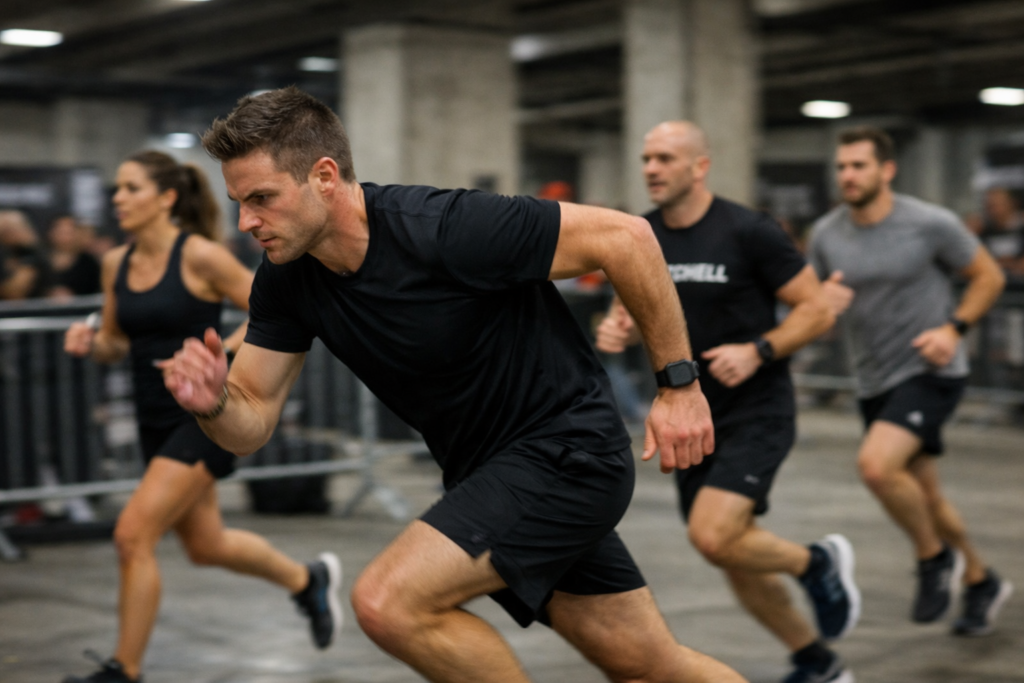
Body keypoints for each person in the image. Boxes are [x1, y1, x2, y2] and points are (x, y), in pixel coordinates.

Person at [164, 86, 746, 683]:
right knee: (648, 664)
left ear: (325, 175)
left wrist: (679, 386)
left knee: (389, 603)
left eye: (262, 198)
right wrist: (213, 404)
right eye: (239, 201)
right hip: (489, 475)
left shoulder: (444, 227)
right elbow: (251, 419)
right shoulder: (287, 279)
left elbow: (626, 238)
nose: (247, 222)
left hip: (566, 452)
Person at [62, 150, 341, 683]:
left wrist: (217, 360)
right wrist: (90, 342)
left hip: (203, 416)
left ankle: (126, 670)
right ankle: (307, 581)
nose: (117, 199)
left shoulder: (199, 256)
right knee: (205, 545)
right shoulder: (114, 264)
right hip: (152, 418)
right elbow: (116, 342)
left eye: (130, 188)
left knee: (132, 534)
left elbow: (267, 311)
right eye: (116, 189)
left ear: (166, 198)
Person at [595, 121, 858, 683]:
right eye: (646, 158)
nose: (651, 169)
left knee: (713, 535)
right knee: (729, 553)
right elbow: (642, 312)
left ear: (700, 166)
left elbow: (815, 310)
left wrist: (759, 350)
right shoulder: (641, 235)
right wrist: (621, 328)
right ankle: (817, 661)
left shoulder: (749, 230)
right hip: (691, 421)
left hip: (755, 410)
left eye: (665, 158)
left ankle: (818, 562)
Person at [809, 126, 1012, 637]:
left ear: (887, 170)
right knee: (926, 496)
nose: (848, 176)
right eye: (842, 167)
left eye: (859, 165)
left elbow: (989, 277)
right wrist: (820, 307)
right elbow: (814, 306)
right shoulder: (826, 234)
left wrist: (954, 329)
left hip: (931, 370)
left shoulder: (931, 223)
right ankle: (981, 578)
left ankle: (932, 557)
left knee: (877, 468)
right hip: (873, 378)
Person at [0, 209, 54, 298]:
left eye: (13, 229)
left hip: (35, 307)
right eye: (6, 230)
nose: (10, 234)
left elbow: (14, 292)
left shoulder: (34, 255)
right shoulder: (4, 254)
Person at [47, 215, 102, 298]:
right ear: (51, 233)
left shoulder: (89, 263)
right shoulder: (40, 262)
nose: (65, 238)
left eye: (69, 232)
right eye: (61, 232)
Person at [978, 187, 1024, 278]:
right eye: (989, 206)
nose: (992, 210)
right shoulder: (983, 231)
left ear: (1011, 203)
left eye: (996, 205)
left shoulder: (1021, 229)